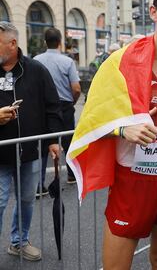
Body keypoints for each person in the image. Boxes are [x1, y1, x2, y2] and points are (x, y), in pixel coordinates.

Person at [67, 0, 157, 269]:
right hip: (134, 181)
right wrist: (123, 129)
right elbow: (91, 121)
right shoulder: (120, 62)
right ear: (153, 12)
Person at [0, 21, 62, 261]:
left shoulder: (36, 70)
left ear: (12, 44)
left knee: (26, 199)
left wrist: (54, 140)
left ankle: (19, 241)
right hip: (1, 155)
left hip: (30, 152)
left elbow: (53, 106)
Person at [34, 28, 81, 188]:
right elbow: (76, 89)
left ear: (45, 42)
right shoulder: (67, 62)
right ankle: (71, 174)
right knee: (68, 141)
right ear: (60, 42)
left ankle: (39, 184)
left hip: (43, 107)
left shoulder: (36, 60)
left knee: (42, 144)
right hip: (64, 106)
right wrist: (72, 102)